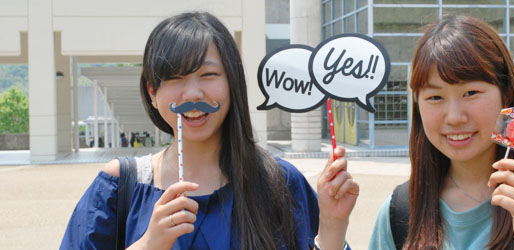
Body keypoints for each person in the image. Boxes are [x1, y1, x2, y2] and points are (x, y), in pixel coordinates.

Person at [60, 11, 358, 250]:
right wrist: (149, 244)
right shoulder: (119, 187)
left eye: (208, 74)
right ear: (152, 91)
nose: (192, 93)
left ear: (232, 82)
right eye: (175, 77)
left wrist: (332, 226)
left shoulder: (280, 183)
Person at [369, 15, 514, 250]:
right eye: (435, 97)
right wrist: (333, 230)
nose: (455, 117)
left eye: (471, 93)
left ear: (506, 94)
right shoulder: (399, 212)